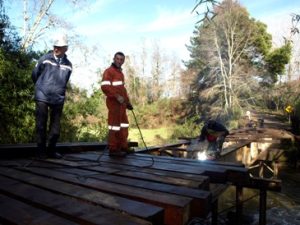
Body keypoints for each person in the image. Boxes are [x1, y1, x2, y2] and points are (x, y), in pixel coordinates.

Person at [32, 34, 72, 159]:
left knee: (55, 128)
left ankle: (51, 150)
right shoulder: (45, 58)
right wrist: (41, 87)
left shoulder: (69, 65)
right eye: (55, 46)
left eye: (59, 47)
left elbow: (65, 81)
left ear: (65, 48)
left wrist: (59, 91)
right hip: (42, 95)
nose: (56, 49)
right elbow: (35, 74)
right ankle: (41, 152)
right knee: (41, 124)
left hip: (58, 98)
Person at [101, 52, 133, 157]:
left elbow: (123, 90)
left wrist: (127, 102)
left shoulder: (120, 73)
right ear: (114, 59)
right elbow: (105, 87)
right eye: (118, 59)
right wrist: (116, 96)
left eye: (121, 60)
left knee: (124, 125)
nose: (119, 61)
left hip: (122, 105)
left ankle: (123, 147)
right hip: (114, 104)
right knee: (114, 126)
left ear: (123, 61)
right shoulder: (108, 72)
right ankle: (113, 149)